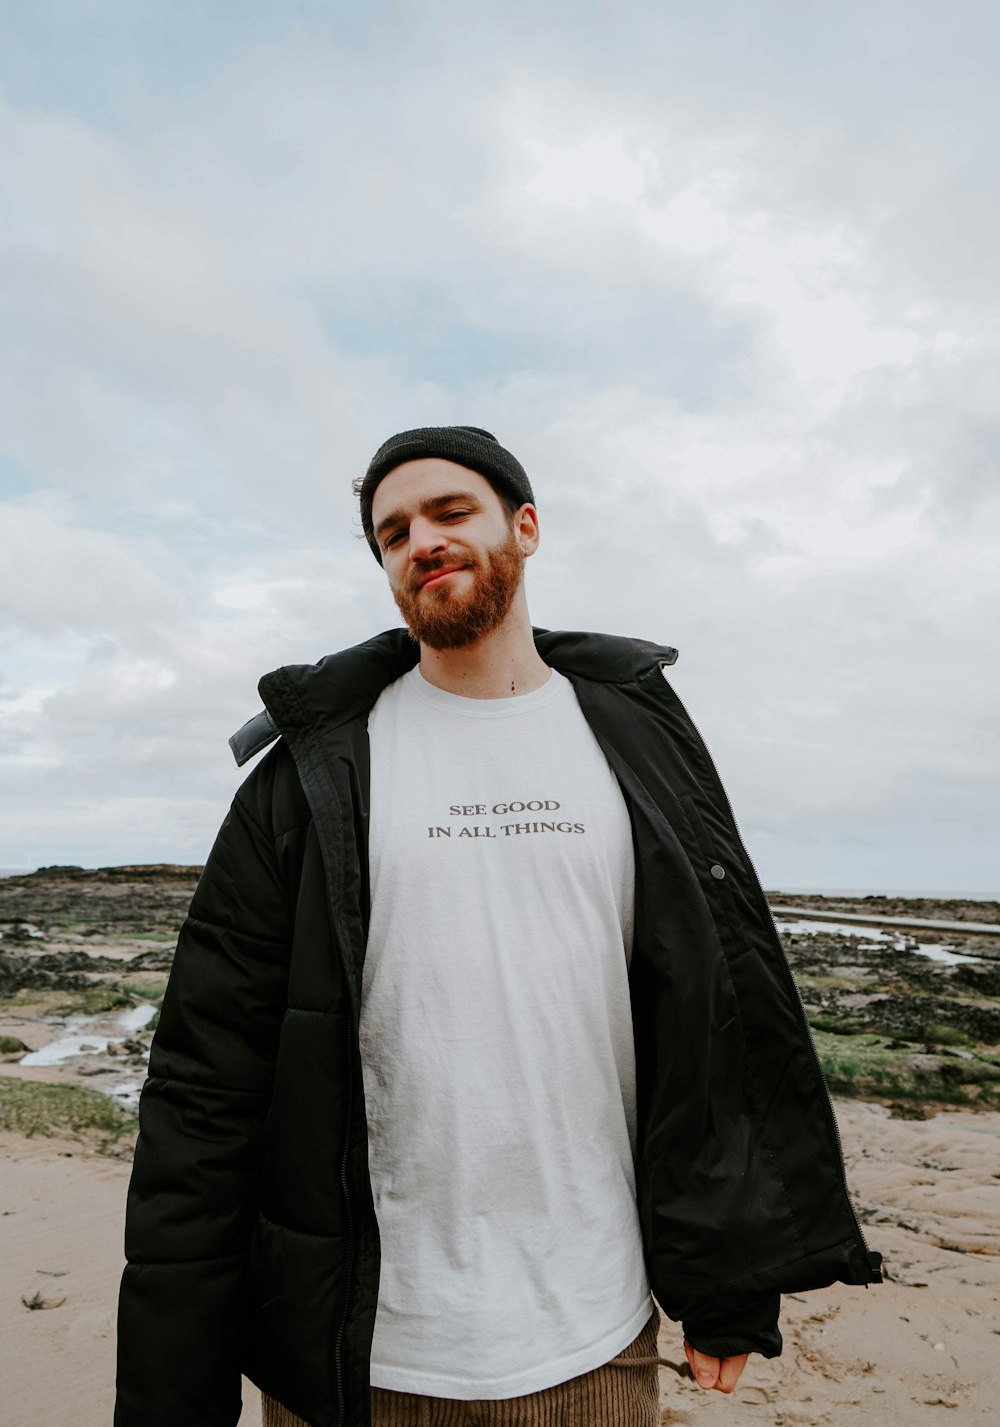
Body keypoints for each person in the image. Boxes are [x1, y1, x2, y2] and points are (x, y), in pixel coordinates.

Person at [115, 426, 881, 1427]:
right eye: (391, 532)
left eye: (447, 512)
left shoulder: (637, 739)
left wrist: (728, 1278)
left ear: (522, 526)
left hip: (594, 1347)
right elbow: (205, 1087)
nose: (418, 541)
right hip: (357, 1357)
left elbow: (713, 1012)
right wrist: (174, 1390)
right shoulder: (308, 774)